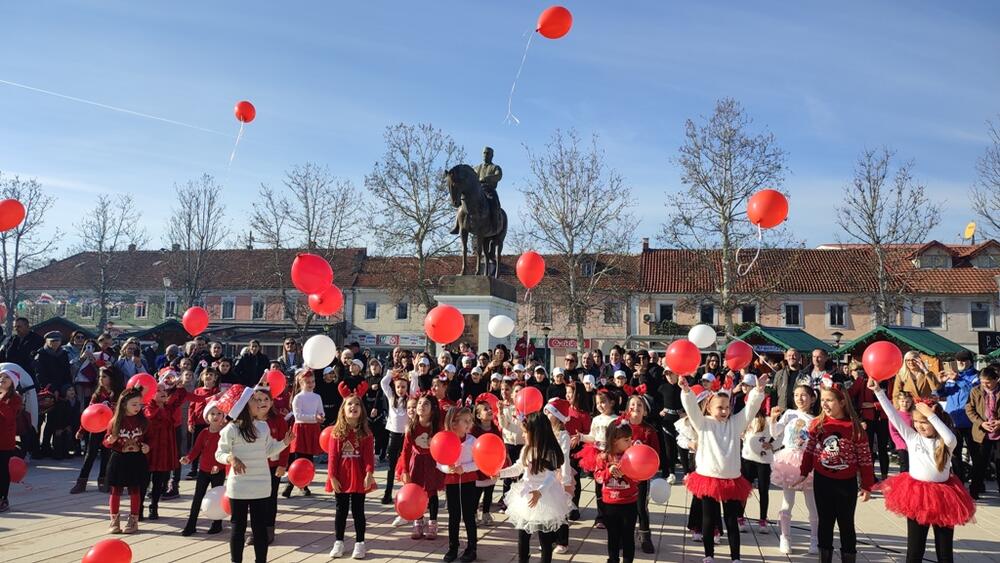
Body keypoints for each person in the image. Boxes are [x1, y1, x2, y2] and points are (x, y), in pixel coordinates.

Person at [870, 377, 976, 563]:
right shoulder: (912, 437)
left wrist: (931, 415)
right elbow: (893, 416)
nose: (919, 425)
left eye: (924, 422)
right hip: (916, 495)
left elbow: (949, 436)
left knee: (944, 550)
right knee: (915, 548)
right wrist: (878, 391)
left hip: (944, 496)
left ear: (935, 422)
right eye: (917, 422)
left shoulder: (946, 442)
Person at [680, 372, 767, 563]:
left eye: (727, 407)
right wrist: (686, 391)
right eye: (719, 407)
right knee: (709, 519)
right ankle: (709, 555)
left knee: (731, 520)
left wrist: (758, 391)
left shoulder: (735, 424)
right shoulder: (702, 424)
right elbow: (692, 409)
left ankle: (735, 557)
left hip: (731, 479)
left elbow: (750, 411)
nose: (724, 411)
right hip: (708, 477)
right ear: (709, 408)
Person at [796, 381, 875, 563]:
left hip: (846, 483)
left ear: (842, 402)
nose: (825, 404)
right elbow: (808, 450)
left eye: (830, 400)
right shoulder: (817, 424)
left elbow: (865, 459)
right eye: (823, 400)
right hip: (822, 481)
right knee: (825, 523)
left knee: (846, 524)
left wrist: (867, 485)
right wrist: (803, 471)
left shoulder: (854, 428)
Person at [215, 384, 294, 563]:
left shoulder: (263, 427)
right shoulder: (231, 430)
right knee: (238, 527)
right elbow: (219, 453)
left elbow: (267, 451)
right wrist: (231, 459)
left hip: (261, 485)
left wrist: (284, 443)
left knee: (259, 528)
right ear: (243, 406)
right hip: (239, 485)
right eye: (253, 400)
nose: (258, 402)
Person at [496, 412, 574, 563]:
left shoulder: (548, 451)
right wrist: (499, 473)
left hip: (545, 498)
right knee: (522, 536)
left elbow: (551, 476)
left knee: (545, 539)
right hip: (526, 496)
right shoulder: (526, 449)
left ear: (537, 432)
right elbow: (518, 468)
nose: (523, 435)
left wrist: (540, 492)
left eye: (526, 432)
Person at [325, 395, 376, 560]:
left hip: (360, 477)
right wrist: (332, 477)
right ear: (343, 410)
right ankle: (339, 542)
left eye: (357, 404)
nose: (353, 407)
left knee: (358, 511)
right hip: (341, 477)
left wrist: (369, 473)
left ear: (361, 410)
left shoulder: (366, 434)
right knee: (341, 510)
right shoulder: (336, 433)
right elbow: (333, 458)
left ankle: (360, 543)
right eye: (349, 404)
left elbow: (368, 457)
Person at [770, 385, 818, 554]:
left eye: (804, 395)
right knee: (787, 502)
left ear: (813, 398)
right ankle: (785, 537)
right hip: (788, 461)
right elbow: (775, 433)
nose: (799, 398)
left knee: (811, 504)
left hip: (807, 461)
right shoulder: (789, 413)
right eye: (796, 394)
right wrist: (773, 419)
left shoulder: (816, 419)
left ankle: (814, 539)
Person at [103, 387, 150, 534]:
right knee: (115, 490)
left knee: (134, 489)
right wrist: (110, 441)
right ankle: (114, 520)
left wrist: (147, 447)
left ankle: (133, 519)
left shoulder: (144, 421)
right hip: (119, 458)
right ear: (124, 404)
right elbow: (106, 441)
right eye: (134, 404)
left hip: (136, 459)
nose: (137, 407)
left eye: (139, 404)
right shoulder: (115, 421)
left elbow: (150, 439)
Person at [437, 406, 479, 563]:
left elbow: (479, 462)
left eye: (470, 421)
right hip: (452, 482)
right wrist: (447, 468)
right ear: (454, 423)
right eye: (465, 421)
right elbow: (438, 461)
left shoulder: (472, 441)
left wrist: (465, 468)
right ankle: (452, 548)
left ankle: (471, 548)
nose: (469, 424)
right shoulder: (444, 440)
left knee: (469, 515)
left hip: (468, 481)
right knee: (454, 515)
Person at [399, 394, 444, 539]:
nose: (421, 407)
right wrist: (405, 470)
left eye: (426, 404)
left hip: (432, 463)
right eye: (419, 404)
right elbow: (405, 451)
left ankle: (433, 523)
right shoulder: (411, 427)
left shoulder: (437, 427)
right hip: (416, 463)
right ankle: (418, 521)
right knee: (416, 492)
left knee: (432, 493)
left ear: (432, 410)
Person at [594, 423, 639, 563]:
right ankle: (613, 559)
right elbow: (598, 477)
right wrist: (609, 470)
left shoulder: (633, 456)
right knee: (613, 536)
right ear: (614, 440)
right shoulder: (603, 457)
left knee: (628, 536)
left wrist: (627, 472)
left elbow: (638, 479)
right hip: (610, 504)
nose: (630, 442)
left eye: (630, 439)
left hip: (629, 503)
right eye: (626, 440)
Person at [180, 401, 226, 536]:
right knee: (198, 497)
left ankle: (217, 523)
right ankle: (191, 524)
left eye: (219, 413)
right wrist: (188, 458)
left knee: (217, 498)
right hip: (204, 470)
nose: (216, 416)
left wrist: (220, 466)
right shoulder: (204, 433)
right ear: (207, 416)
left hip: (218, 471)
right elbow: (196, 449)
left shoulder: (224, 433)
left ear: (223, 416)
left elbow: (228, 452)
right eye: (212, 414)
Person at [72, 367, 120, 494]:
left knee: (106, 455)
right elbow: (89, 413)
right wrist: (81, 430)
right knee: (90, 455)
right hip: (96, 429)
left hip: (109, 430)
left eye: (104, 376)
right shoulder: (97, 395)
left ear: (111, 378)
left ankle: (103, 481)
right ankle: (81, 482)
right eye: (99, 377)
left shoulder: (117, 394)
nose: (101, 379)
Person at [144, 379, 187, 520]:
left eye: (164, 390)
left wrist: (179, 387)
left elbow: (179, 399)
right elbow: (151, 417)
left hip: (163, 449)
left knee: (159, 481)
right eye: (159, 390)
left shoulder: (168, 407)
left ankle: (153, 507)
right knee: (144, 481)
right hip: (150, 450)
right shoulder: (148, 408)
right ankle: (138, 509)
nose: (163, 393)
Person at [936, 349, 978, 481]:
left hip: (971, 421)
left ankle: (977, 483)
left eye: (964, 360)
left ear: (970, 362)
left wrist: (959, 379)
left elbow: (973, 392)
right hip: (953, 420)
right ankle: (959, 481)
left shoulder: (976, 376)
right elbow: (941, 395)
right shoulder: (953, 376)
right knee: (954, 453)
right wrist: (940, 384)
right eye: (958, 360)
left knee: (975, 454)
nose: (961, 362)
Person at [739, 378, 775, 535]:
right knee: (744, 490)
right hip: (747, 459)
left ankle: (763, 520)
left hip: (763, 460)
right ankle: (740, 517)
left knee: (763, 490)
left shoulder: (767, 420)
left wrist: (773, 445)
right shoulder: (745, 418)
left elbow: (778, 434)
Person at [284, 369, 324, 498]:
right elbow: (298, 416)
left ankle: (304, 484)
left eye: (312, 381)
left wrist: (321, 416)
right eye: (307, 382)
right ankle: (290, 484)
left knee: (309, 459)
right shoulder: (298, 397)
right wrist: (314, 417)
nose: (311, 384)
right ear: (301, 383)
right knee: (297, 458)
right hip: (301, 429)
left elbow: (321, 411)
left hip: (312, 429)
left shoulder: (317, 397)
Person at [965, 365, 1000, 500]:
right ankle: (974, 492)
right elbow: (969, 409)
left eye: (988, 382)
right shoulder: (975, 391)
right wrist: (981, 422)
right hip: (982, 432)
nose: (985, 385)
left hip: (998, 432)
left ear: (996, 379)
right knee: (979, 463)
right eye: (982, 381)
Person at [380, 368, 410, 507]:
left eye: (403, 387)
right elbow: (383, 384)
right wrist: (391, 373)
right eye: (398, 387)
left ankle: (408, 493)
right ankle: (387, 493)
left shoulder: (409, 399)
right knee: (391, 466)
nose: (400, 389)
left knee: (406, 465)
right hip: (394, 435)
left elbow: (415, 386)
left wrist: (413, 376)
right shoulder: (391, 397)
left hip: (406, 436)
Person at [472, 398, 502, 526]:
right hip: (478, 465)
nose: (490, 410)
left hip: (492, 465)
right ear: (478, 415)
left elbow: (500, 445)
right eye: (486, 409)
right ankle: (473, 513)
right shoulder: (474, 431)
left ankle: (486, 513)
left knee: (489, 490)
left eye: (490, 408)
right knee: (476, 493)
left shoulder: (495, 429)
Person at [0, 367, 23, 512]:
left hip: (4, 440)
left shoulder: (15, 398)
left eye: (6, 378)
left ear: (12, 382)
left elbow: (8, 416)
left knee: (2, 470)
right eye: (1, 377)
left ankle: (3, 498)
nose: (2, 380)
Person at [889, 391, 915, 472]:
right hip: (902, 447)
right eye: (902, 401)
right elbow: (893, 433)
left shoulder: (914, 414)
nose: (905, 404)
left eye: (907, 402)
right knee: (905, 468)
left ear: (911, 402)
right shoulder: (894, 415)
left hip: (914, 445)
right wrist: (903, 445)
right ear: (898, 401)